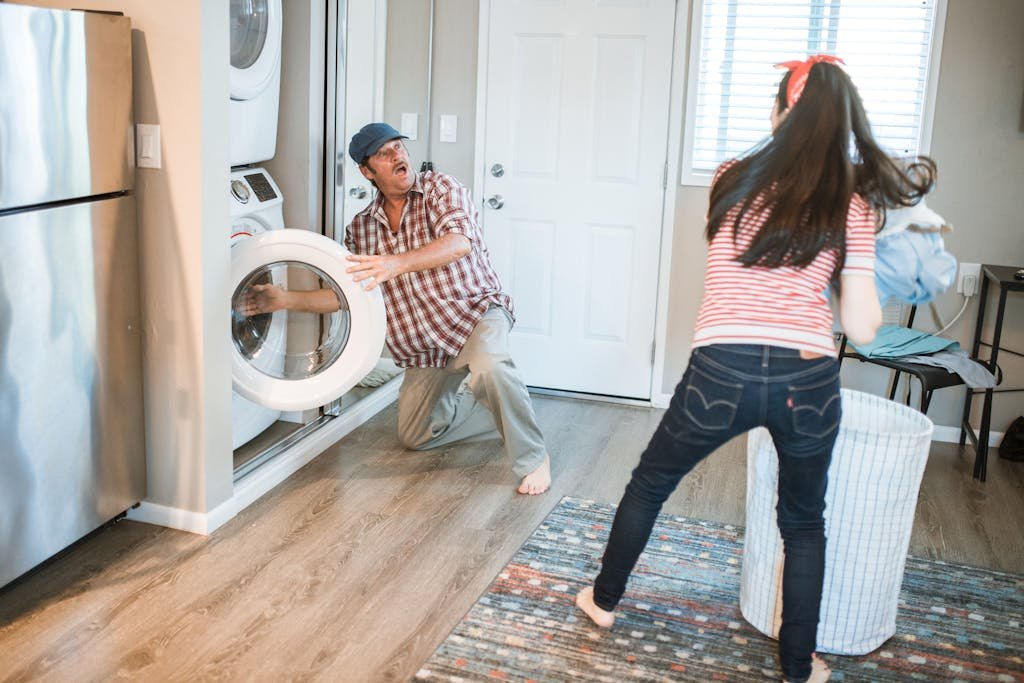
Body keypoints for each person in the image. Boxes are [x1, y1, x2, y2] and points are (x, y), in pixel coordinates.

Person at [574, 55, 935, 683]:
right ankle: (800, 666)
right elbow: (861, 327)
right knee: (803, 524)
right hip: (808, 379)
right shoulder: (850, 204)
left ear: (779, 113)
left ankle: (603, 602)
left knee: (649, 486)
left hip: (722, 369)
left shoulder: (728, 178)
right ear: (839, 124)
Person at [240, 122, 551, 495]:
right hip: (424, 348)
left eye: (399, 147)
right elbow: (347, 296)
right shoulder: (361, 230)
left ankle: (533, 458)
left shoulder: (441, 189)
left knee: (490, 365)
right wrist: (285, 300)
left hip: (474, 316)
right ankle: (501, 407)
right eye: (384, 154)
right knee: (415, 436)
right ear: (367, 171)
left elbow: (459, 243)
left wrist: (395, 262)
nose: (398, 155)